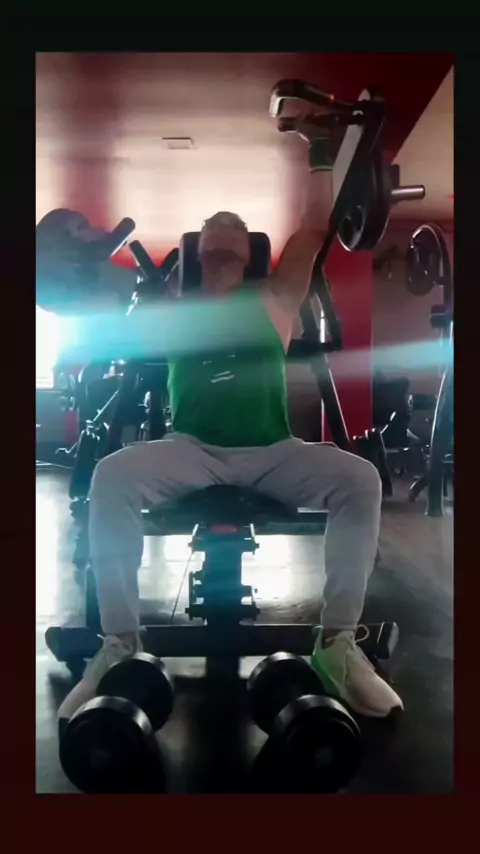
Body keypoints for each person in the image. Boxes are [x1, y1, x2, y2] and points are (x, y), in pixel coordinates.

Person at [58, 132, 403, 724]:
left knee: (360, 478)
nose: (222, 226)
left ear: (248, 250)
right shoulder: (171, 309)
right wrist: (79, 262)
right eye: (212, 224)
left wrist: (322, 153)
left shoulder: (276, 298)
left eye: (235, 225)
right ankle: (119, 646)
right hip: (191, 449)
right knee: (112, 476)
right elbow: (91, 299)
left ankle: (337, 645)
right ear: (199, 248)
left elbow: (314, 229)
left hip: (272, 450)